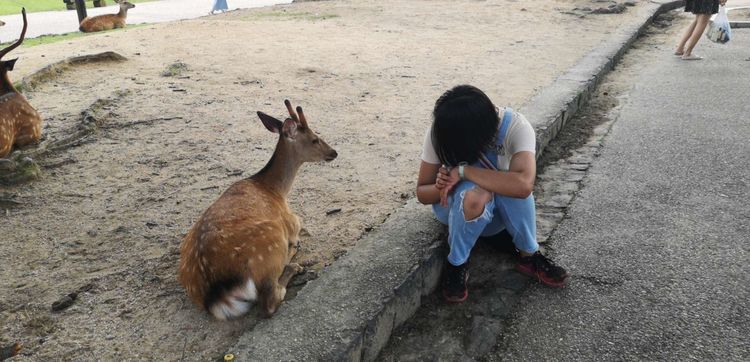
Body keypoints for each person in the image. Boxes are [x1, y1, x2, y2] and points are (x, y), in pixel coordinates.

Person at [416, 85, 569, 303]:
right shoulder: (441, 131)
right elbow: (422, 193)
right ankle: (457, 263)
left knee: (509, 184)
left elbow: (525, 185)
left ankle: (529, 255)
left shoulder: (515, 127)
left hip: (499, 212)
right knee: (475, 194)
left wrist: (464, 171)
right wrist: (443, 186)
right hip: (455, 209)